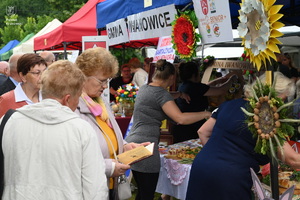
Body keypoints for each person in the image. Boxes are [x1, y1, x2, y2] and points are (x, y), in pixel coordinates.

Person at [1, 60, 108, 199]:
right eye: (78, 97)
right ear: (67, 99)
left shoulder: (9, 121)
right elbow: (95, 189)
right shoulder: (81, 130)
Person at [186, 72, 300, 200]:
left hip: (202, 166)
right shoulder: (265, 119)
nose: (281, 105)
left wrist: (219, 157)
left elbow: (203, 132)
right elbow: (294, 160)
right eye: (282, 99)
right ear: (272, 95)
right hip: (229, 178)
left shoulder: (229, 105)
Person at [125, 59, 212, 200]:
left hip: (133, 143)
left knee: (142, 193)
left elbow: (162, 100)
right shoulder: (161, 94)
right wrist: (206, 114)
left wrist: (178, 94)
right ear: (172, 77)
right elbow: (180, 118)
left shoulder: (145, 88)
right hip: (146, 147)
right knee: (147, 194)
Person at [75, 47, 149, 199]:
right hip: (89, 190)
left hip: (109, 185)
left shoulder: (100, 103)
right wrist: (108, 167)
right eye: (102, 81)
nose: (105, 86)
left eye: (107, 80)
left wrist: (126, 146)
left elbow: (109, 135)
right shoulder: (73, 108)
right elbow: (76, 158)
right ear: (82, 77)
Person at [172, 61, 238, 143]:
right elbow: (221, 90)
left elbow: (205, 88)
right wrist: (232, 80)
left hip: (181, 128)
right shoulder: (195, 87)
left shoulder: (183, 85)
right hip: (192, 127)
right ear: (194, 75)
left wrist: (218, 81)